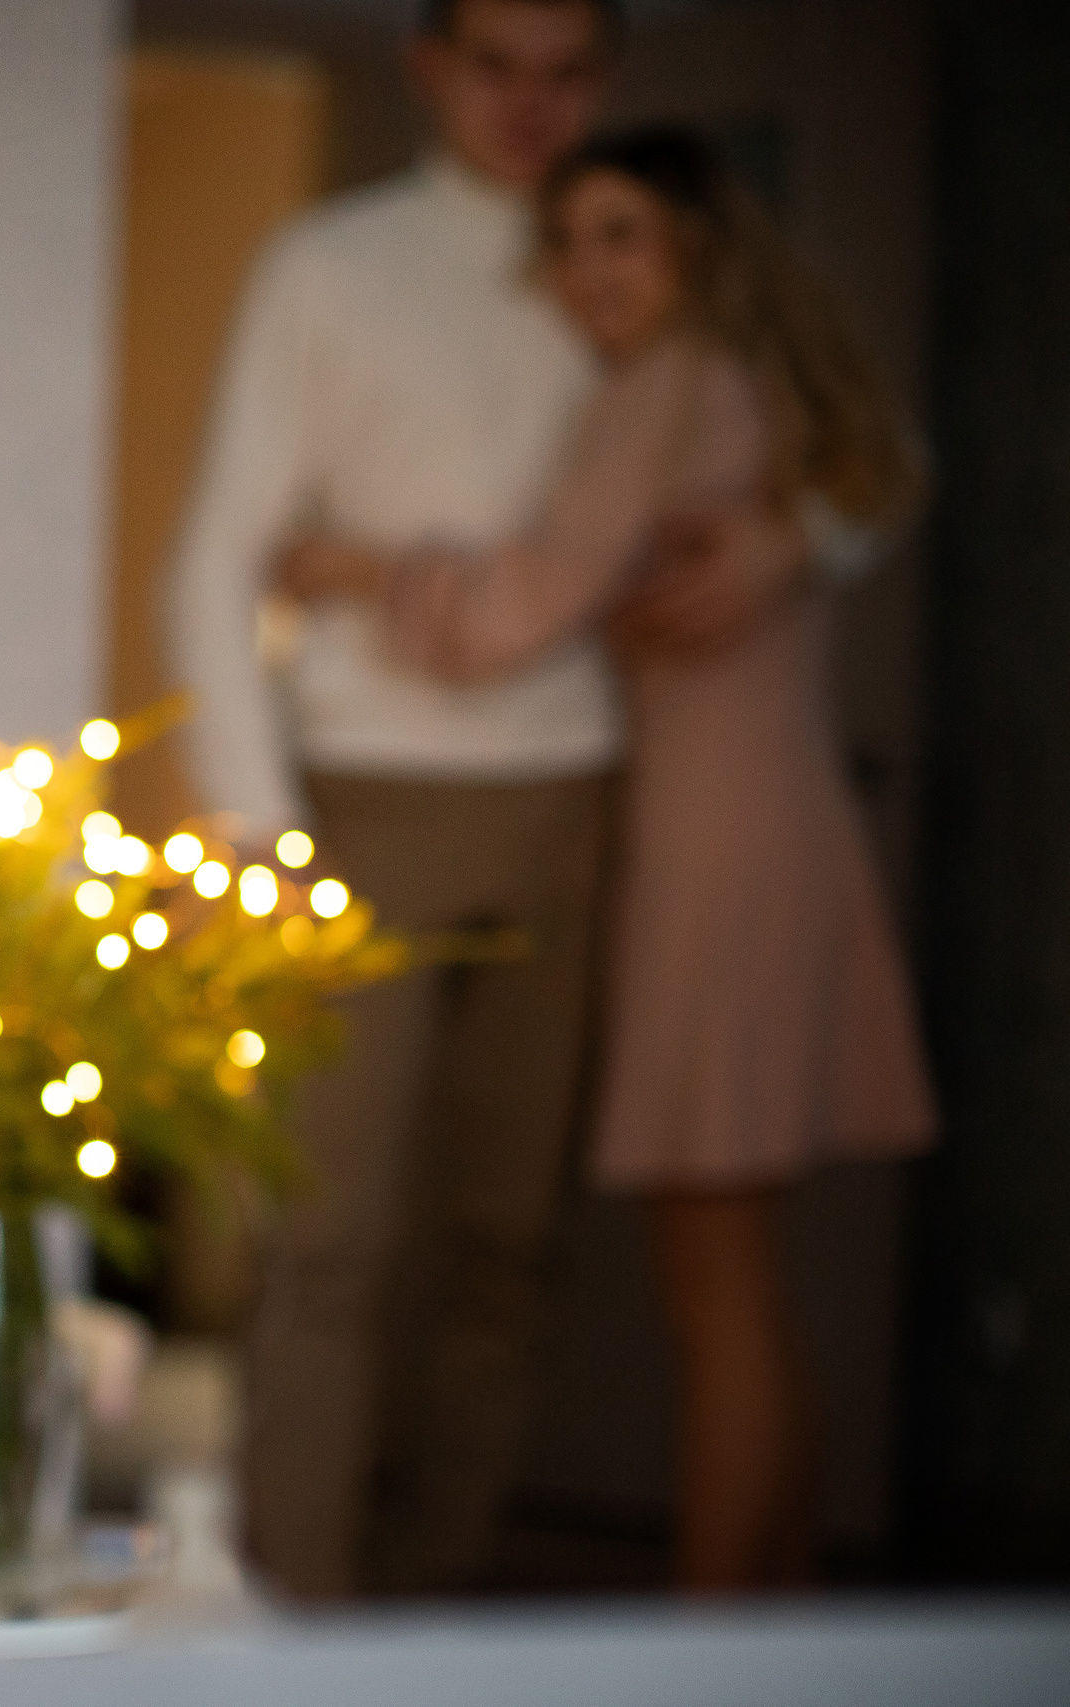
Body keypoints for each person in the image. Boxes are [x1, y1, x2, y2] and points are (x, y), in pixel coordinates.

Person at [165, 0, 849, 1598]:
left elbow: (850, 440)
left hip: (580, 802)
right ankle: (294, 1612)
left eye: (568, 71)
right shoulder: (331, 266)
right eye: (497, 66)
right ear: (430, 70)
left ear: (608, 80)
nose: (531, 103)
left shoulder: (640, 277)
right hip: (369, 801)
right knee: (326, 1240)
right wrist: (259, 827)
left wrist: (791, 541)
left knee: (508, 1249)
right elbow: (214, 556)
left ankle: (440, 1608)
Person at [280, 126, 934, 1591]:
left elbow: (517, 608)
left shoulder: (663, 391)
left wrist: (350, 566)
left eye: (620, 235)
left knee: (716, 1288)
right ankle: (778, 1622)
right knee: (745, 1282)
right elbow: (883, 469)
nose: (589, 274)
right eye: (569, 243)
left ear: (695, 240)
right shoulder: (750, 387)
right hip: (772, 830)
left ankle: (711, 1656)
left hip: (714, 853)